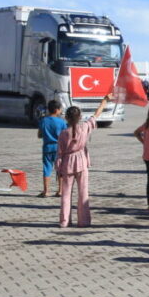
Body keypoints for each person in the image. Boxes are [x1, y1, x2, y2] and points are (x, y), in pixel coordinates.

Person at [56, 95, 110, 228]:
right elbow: (95, 116)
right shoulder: (85, 127)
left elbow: (59, 154)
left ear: (66, 118)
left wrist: (58, 170)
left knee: (66, 194)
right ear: (80, 117)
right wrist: (105, 101)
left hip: (66, 163)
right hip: (81, 161)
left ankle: (64, 221)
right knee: (83, 193)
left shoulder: (63, 133)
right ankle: (84, 221)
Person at [37, 100, 66, 198]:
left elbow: (39, 135)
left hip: (47, 148)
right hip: (59, 148)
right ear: (57, 110)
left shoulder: (43, 121)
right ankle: (60, 190)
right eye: (60, 109)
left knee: (46, 169)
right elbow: (65, 135)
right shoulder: (61, 122)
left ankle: (46, 191)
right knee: (60, 169)